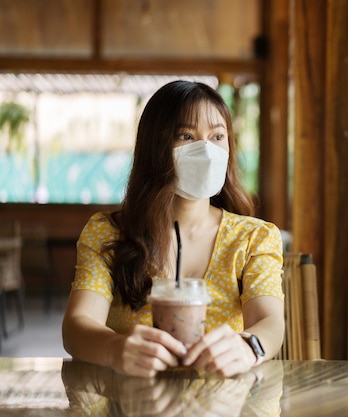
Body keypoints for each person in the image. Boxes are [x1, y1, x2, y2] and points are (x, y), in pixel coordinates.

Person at [62, 80, 285, 378]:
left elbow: (270, 321)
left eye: (218, 136)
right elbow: (77, 326)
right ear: (156, 146)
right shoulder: (108, 232)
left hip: (222, 404)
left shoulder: (254, 238)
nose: (206, 150)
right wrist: (116, 349)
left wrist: (249, 347)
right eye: (186, 135)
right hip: (130, 402)